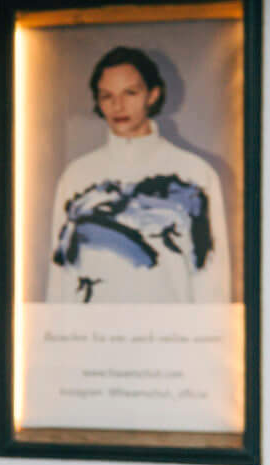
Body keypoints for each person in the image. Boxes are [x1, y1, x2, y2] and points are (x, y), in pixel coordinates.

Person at [45, 44, 229, 305]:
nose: (118, 105)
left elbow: (212, 276)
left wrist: (209, 340)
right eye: (107, 96)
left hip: (171, 337)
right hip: (94, 338)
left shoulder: (195, 174)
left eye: (130, 93)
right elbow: (62, 275)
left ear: (152, 95)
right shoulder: (77, 178)